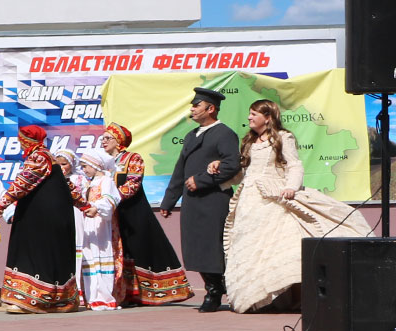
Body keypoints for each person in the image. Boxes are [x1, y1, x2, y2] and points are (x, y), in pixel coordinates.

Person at [221, 98, 373, 313]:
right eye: (250, 113)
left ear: (268, 117)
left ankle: (293, 298)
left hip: (274, 195)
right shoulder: (249, 141)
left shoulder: (283, 137)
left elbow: (294, 164)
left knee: (280, 247)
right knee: (250, 247)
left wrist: (292, 187)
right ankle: (256, 298)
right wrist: (220, 173)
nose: (249, 117)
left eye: (254, 113)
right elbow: (244, 172)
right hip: (249, 200)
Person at [158, 87, 242, 312]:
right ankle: (213, 286)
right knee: (195, 247)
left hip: (214, 200)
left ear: (210, 108)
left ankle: (215, 291)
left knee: (212, 247)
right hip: (193, 202)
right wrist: (168, 201)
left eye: (197, 105)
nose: (193, 109)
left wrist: (202, 180)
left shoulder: (224, 133)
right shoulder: (192, 135)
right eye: (193, 105)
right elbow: (180, 170)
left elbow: (232, 165)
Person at [0, 125, 81, 313]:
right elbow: (69, 186)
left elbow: (23, 182)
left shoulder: (39, 157)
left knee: (37, 253)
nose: (19, 142)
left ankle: (35, 300)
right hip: (54, 214)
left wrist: (1, 205)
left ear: (27, 140)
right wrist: (85, 206)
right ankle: (59, 299)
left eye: (21, 138)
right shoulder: (51, 158)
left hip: (42, 217)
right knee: (54, 253)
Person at [99, 124, 190, 306]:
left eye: (108, 138)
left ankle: (151, 292)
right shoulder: (103, 161)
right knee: (120, 251)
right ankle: (124, 293)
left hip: (133, 211)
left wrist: (110, 199)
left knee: (140, 248)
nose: (103, 141)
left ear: (119, 141)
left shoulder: (132, 158)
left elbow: (132, 183)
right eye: (103, 138)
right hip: (113, 214)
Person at [73, 148, 122, 310]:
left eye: (86, 165)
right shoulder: (91, 183)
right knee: (90, 258)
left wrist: (96, 208)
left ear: (96, 165)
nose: (84, 169)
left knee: (101, 257)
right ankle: (92, 296)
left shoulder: (106, 181)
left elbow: (111, 199)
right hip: (89, 224)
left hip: (101, 225)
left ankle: (104, 297)